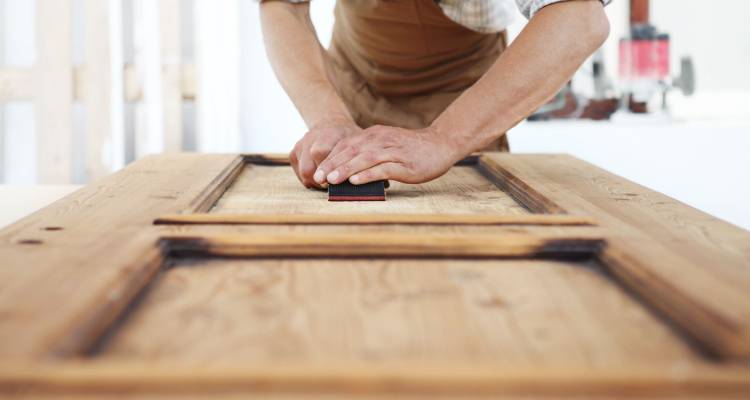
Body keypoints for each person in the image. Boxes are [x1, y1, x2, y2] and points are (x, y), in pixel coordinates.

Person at [260, 0, 611, 188]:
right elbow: (284, 5)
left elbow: (579, 16)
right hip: (354, 87)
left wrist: (443, 139)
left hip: (463, 97)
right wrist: (329, 117)